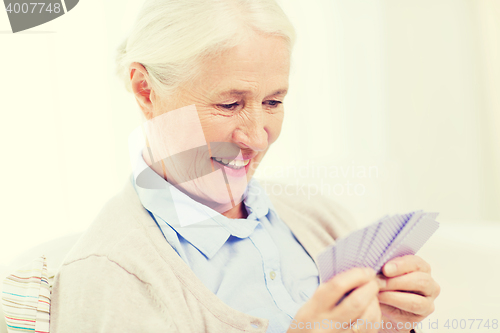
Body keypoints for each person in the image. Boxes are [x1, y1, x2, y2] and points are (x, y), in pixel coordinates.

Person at [50, 0, 440, 332]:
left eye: (273, 103)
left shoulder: (318, 217)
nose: (256, 138)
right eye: (228, 104)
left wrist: (391, 322)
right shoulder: (106, 275)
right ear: (145, 90)